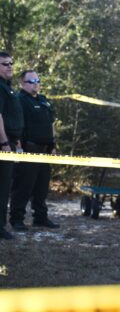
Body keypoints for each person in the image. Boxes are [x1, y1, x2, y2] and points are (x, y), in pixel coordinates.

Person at [9, 70, 59, 231]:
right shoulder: (19, 100)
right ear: (22, 83)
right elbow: (17, 125)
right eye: (31, 81)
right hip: (28, 149)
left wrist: (53, 146)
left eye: (37, 80)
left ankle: (40, 217)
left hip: (45, 151)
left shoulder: (44, 101)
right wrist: (18, 147)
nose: (36, 83)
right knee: (23, 187)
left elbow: (51, 125)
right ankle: (17, 219)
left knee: (42, 187)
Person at [0, 51, 23, 239]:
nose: (9, 66)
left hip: (11, 142)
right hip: (2, 144)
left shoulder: (8, 87)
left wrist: (16, 141)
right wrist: (4, 142)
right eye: (5, 64)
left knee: (6, 186)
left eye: (11, 63)